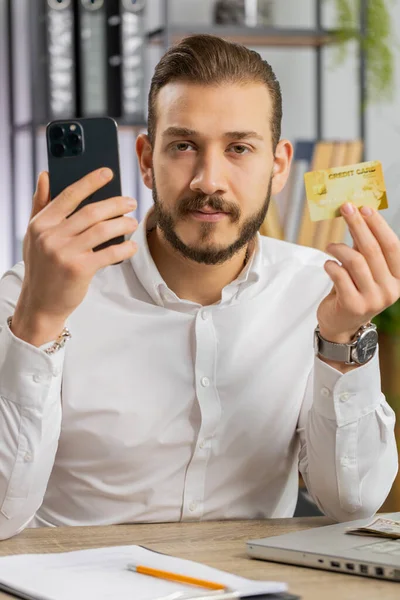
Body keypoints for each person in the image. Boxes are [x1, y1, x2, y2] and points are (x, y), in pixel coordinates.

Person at [0, 35, 398, 540]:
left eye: (239, 148)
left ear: (277, 167)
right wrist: (40, 320)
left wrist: (342, 343)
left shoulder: (319, 292)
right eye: (184, 146)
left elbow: (353, 503)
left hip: (254, 584)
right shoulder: (28, 294)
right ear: (146, 160)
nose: (209, 180)